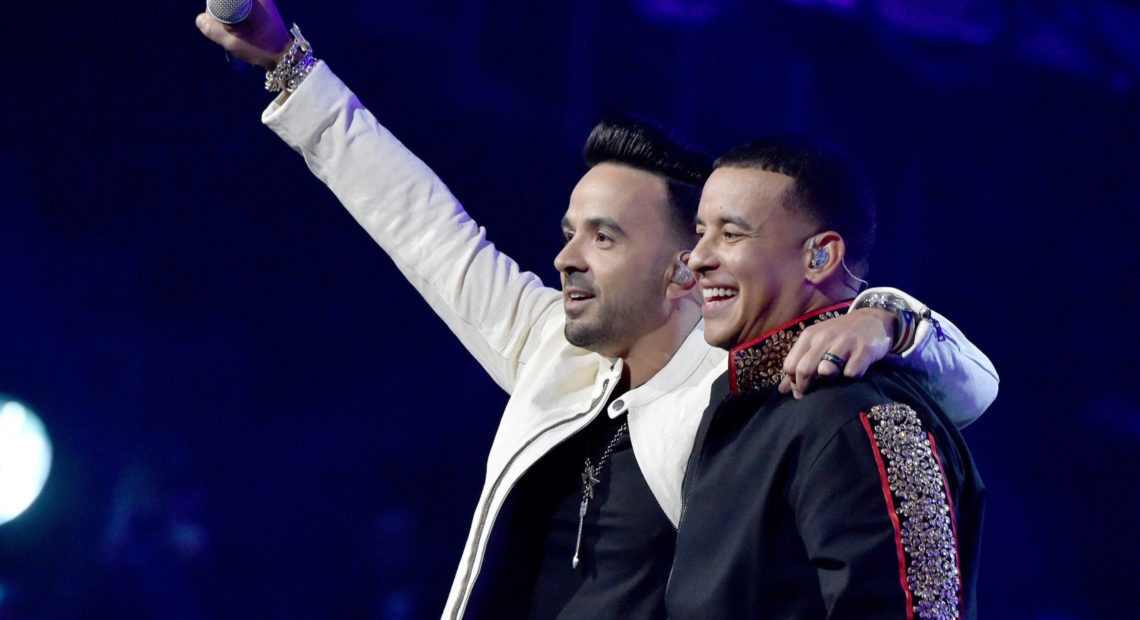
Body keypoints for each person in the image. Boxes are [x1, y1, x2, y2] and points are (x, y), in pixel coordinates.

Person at [194, 5, 999, 617]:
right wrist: (286, 63)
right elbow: (418, 222)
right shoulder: (556, 347)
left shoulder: (744, 392)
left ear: (682, 269)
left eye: (604, 237)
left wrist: (889, 318)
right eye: (568, 233)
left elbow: (958, 398)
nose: (566, 257)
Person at [666, 135, 985, 618]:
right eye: (700, 232)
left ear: (820, 256)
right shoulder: (751, 401)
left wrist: (885, 316)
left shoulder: (859, 416)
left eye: (730, 234)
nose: (698, 257)